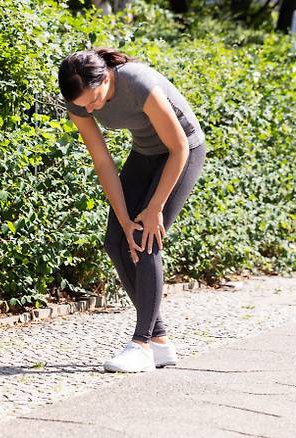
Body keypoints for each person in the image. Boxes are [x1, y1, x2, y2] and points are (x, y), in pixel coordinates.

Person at [58, 48, 207, 373]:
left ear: (106, 77)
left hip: (183, 152)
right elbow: (102, 160)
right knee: (116, 240)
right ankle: (160, 342)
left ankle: (140, 345)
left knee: (145, 237)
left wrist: (154, 208)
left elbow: (179, 147)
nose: (91, 108)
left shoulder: (138, 82)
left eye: (94, 100)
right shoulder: (79, 100)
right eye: (83, 106)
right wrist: (124, 218)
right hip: (144, 153)